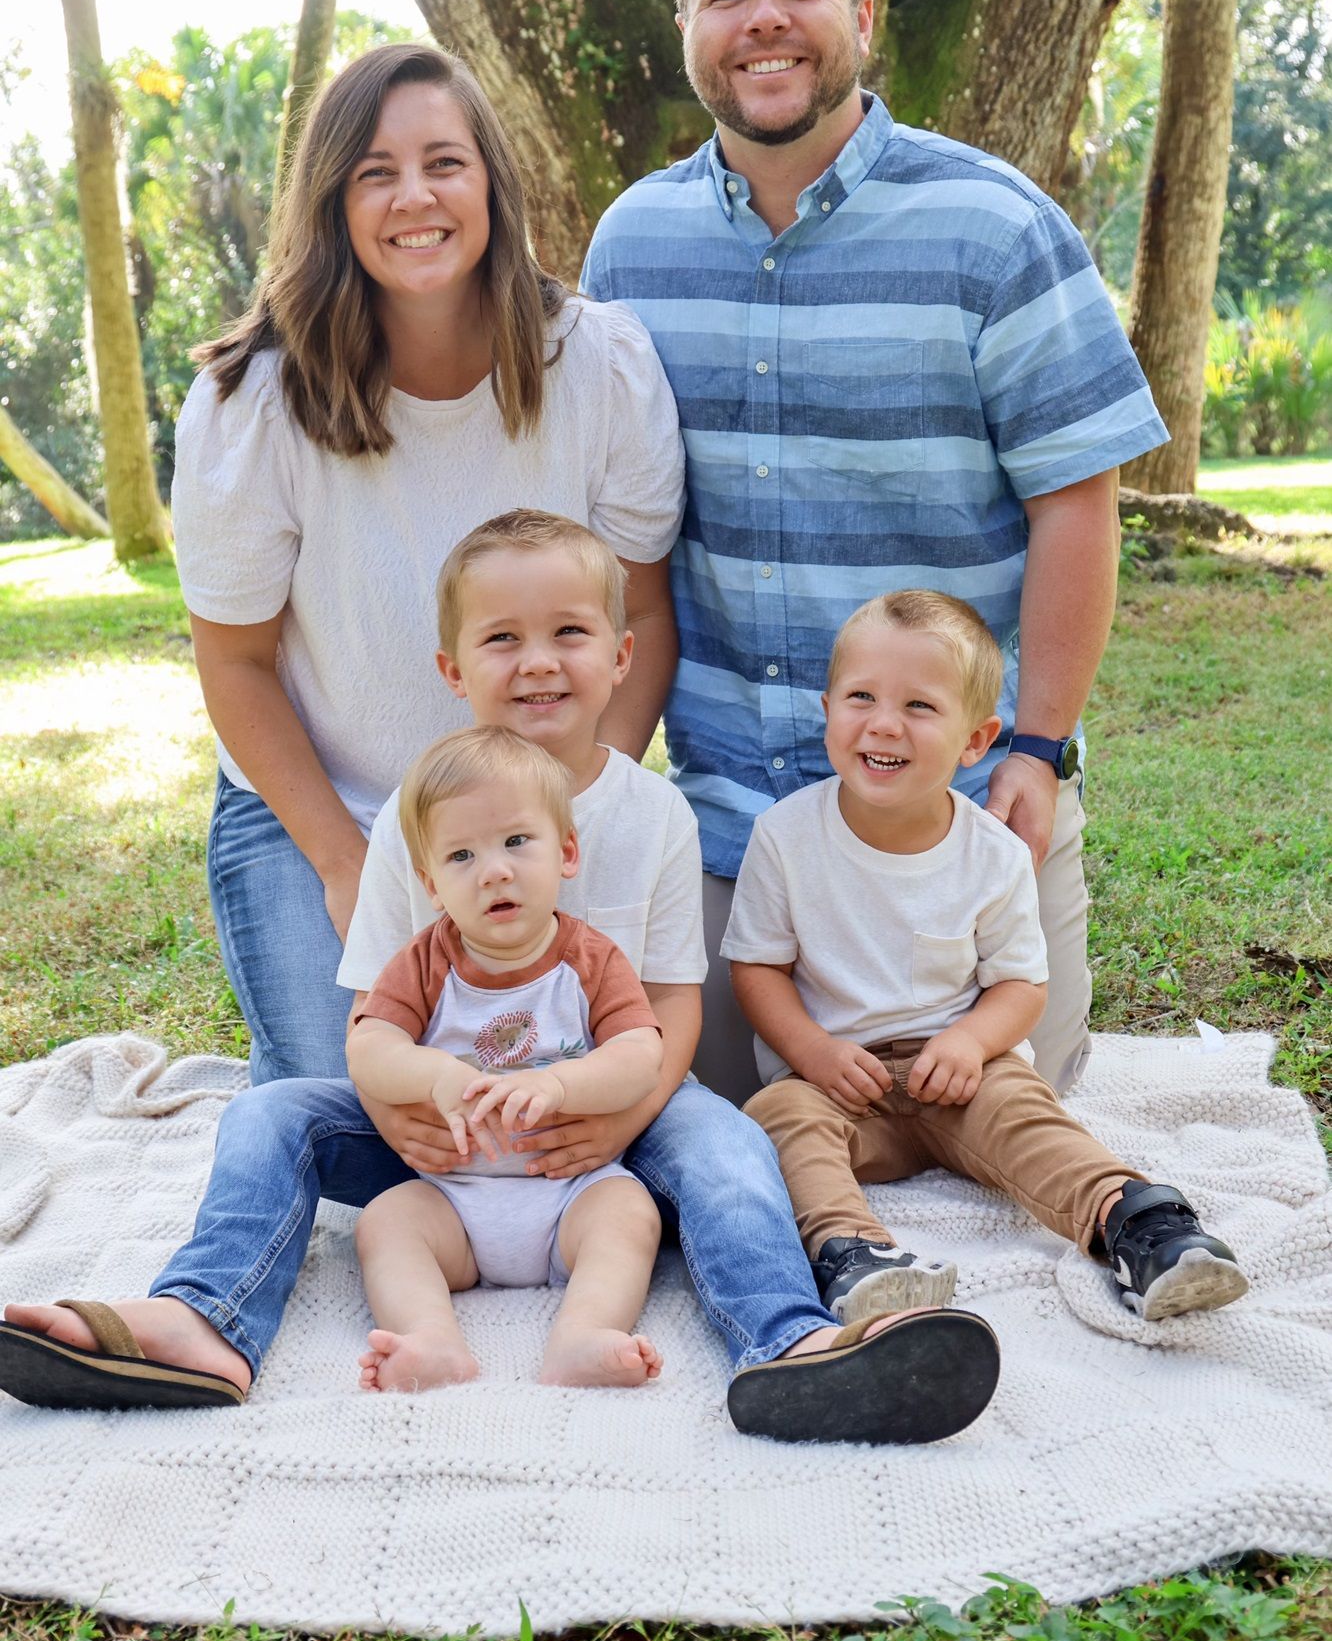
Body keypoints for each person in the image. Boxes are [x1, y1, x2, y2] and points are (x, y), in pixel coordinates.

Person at [0, 514, 1000, 1444]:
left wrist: (621, 1117)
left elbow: (669, 1003)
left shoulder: (651, 816)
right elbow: (375, 1012)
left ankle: (786, 1341)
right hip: (444, 1128)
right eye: (501, 638)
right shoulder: (413, 815)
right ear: (452, 667)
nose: (536, 661)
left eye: (568, 630)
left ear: (618, 657)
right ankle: (201, 1316)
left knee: (729, 1139)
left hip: (615, 1108)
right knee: (267, 1115)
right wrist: (398, 1120)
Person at [581, 0, 1172, 1107]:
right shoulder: (631, 245)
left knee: (1009, 1111)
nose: (764, 19)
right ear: (688, 26)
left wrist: (1040, 745)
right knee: (722, 1128)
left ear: (857, 15)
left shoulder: (997, 226)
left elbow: (1077, 497)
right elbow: (622, 540)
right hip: (736, 824)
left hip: (962, 818)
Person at [172, 40, 684, 1086]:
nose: (416, 196)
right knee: (359, 1107)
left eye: (444, 162)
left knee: (592, 1073)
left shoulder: (602, 366)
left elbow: (647, 614)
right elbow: (235, 664)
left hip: (540, 821)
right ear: (332, 203)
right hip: (323, 807)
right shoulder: (251, 403)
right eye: (375, 172)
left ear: (491, 177)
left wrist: (584, 812)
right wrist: (347, 864)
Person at [725, 590, 1249, 1327]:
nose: (883, 723)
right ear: (827, 708)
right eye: (861, 697)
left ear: (976, 740)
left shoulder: (991, 853)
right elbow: (758, 969)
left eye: (919, 707)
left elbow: (1019, 985)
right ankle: (851, 1254)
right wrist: (811, 1052)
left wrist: (970, 1042)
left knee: (1028, 1113)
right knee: (778, 1117)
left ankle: (1138, 1224)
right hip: (840, 1079)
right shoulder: (785, 837)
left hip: (960, 1075)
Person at [349, 726, 665, 1393]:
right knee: (385, 1223)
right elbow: (369, 1047)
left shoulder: (591, 960)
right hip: (454, 1197)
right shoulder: (425, 961)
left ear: (567, 851)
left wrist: (561, 1083)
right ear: (431, 884)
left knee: (629, 1215)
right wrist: (436, 1076)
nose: (494, 870)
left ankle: (583, 1334)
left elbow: (642, 1056)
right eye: (461, 856)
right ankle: (431, 1339)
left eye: (517, 842)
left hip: (570, 1190)